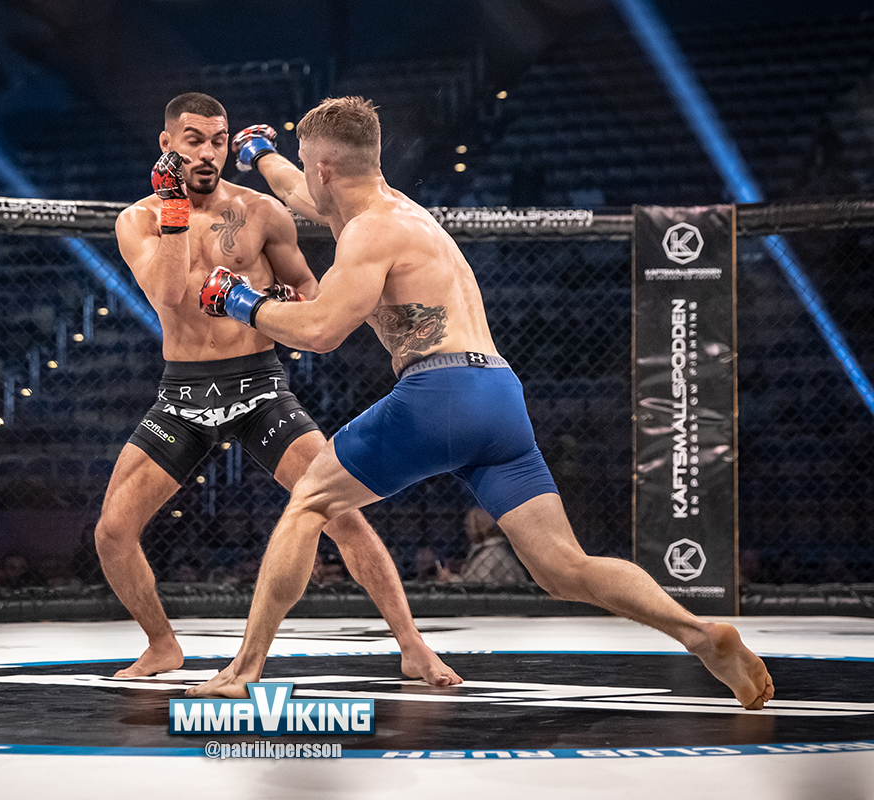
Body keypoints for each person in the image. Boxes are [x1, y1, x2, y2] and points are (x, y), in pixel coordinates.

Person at [187, 96, 774, 711]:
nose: (302, 179)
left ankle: (243, 669)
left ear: (326, 168)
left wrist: (240, 301)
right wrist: (262, 155)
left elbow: (321, 331)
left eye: (306, 164)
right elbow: (299, 191)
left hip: (438, 394)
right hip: (497, 396)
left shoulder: (368, 232)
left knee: (309, 502)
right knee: (563, 567)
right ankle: (698, 632)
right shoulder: (396, 210)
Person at [99, 92, 459, 684]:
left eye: (219, 141)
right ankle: (162, 645)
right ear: (167, 144)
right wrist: (173, 209)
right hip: (183, 393)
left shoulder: (263, 212)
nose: (209, 152)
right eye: (194, 140)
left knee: (341, 514)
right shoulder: (138, 220)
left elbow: (312, 293)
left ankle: (413, 646)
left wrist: (280, 301)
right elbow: (167, 293)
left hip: (258, 385)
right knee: (113, 532)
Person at [440, 507, 529, 585]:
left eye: (468, 525)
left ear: (477, 526)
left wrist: (450, 579)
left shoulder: (490, 554)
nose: (466, 531)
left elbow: (477, 587)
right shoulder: (492, 550)